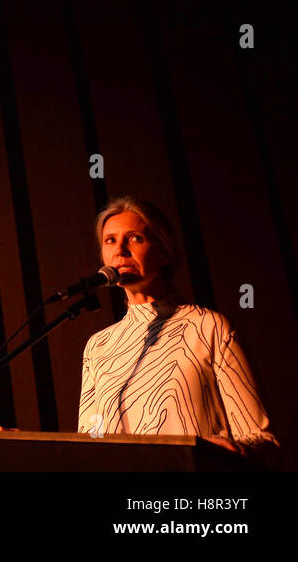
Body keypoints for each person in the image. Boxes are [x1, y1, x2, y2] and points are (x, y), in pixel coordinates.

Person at [77, 196, 280, 466]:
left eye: (135, 238)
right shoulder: (98, 346)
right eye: (110, 240)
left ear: (164, 251)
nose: (120, 251)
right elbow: (88, 445)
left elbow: (263, 440)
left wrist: (226, 450)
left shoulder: (208, 327)